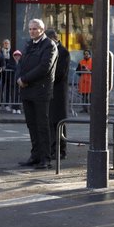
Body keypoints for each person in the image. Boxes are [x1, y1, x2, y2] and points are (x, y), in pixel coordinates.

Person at [15, 18, 57, 169]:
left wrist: (25, 79)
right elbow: (21, 63)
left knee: (42, 125)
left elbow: (44, 67)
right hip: (27, 90)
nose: (32, 31)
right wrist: (18, 78)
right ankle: (35, 155)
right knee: (31, 125)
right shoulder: (28, 44)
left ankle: (45, 158)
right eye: (30, 29)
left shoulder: (49, 45)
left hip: (41, 90)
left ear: (42, 30)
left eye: (35, 29)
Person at [46, 28, 70, 159]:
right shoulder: (51, 50)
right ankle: (53, 148)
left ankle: (61, 150)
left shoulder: (63, 52)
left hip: (59, 92)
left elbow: (60, 73)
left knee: (59, 121)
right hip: (51, 91)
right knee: (51, 121)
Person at [6, 49, 22, 113]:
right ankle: (14, 108)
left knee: (19, 95)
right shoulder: (11, 62)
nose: (17, 56)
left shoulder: (22, 62)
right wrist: (15, 67)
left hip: (20, 81)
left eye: (18, 55)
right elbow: (8, 66)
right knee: (13, 95)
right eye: (15, 55)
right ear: (13, 56)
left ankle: (18, 108)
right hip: (12, 81)